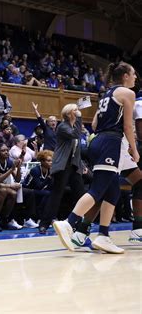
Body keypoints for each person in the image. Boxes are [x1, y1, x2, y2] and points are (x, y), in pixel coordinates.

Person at [54, 62, 139, 254]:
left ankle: (103, 236)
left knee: (113, 190)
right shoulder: (128, 94)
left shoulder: (106, 94)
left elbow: (94, 123)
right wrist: (134, 150)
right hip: (111, 142)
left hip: (97, 141)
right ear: (125, 75)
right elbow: (127, 127)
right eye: (133, 74)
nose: (135, 78)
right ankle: (69, 222)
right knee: (98, 189)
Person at [38, 104, 85, 234]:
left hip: (74, 165)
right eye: (75, 110)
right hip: (62, 165)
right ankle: (44, 224)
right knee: (56, 195)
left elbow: (77, 150)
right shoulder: (63, 126)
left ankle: (79, 223)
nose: (78, 112)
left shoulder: (73, 126)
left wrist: (82, 165)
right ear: (69, 113)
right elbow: (75, 134)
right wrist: (80, 119)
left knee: (81, 195)